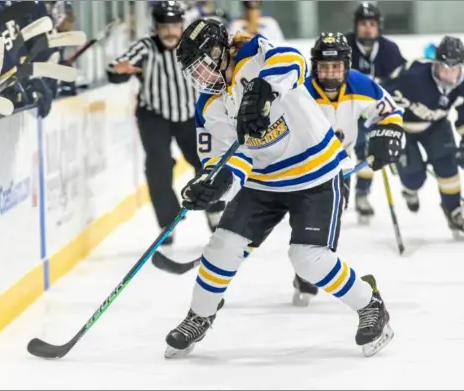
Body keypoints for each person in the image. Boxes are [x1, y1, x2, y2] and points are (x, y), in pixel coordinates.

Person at [164, 18, 402, 359]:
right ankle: (200, 315)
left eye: (201, 66)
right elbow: (229, 159)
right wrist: (215, 185)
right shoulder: (209, 104)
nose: (199, 77)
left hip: (316, 175)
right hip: (263, 183)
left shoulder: (254, 53)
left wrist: (264, 89)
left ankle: (370, 304)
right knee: (221, 247)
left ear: (218, 52)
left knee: (308, 260)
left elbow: (293, 60)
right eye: (193, 71)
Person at [293, 32, 404, 306]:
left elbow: (390, 111)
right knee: (304, 223)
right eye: (324, 67)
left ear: (346, 65)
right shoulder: (300, 92)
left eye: (336, 67)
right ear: (314, 65)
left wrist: (386, 135)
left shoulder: (361, 84)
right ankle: (306, 272)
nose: (330, 74)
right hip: (301, 167)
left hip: (341, 164)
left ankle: (312, 271)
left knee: (329, 222)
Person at [107, 1, 225, 243]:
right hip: (155, 115)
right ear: (156, 27)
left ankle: (214, 210)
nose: (170, 32)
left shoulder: (195, 44)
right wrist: (118, 71)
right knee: (158, 167)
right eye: (164, 26)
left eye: (174, 26)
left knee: (206, 161)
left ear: (182, 25)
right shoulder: (146, 46)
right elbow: (119, 68)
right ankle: (167, 222)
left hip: (191, 114)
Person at [382, 36, 464, 237]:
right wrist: (382, 131)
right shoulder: (413, 77)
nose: (448, 75)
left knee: (447, 165)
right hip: (403, 130)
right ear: (434, 64)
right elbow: (381, 97)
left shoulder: (462, 86)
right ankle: (409, 189)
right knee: (414, 178)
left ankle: (454, 210)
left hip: (436, 126)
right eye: (444, 68)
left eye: (454, 69)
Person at [345, 2, 406, 223]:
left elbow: (401, 82)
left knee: (369, 150)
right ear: (356, 26)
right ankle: (333, 193)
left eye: (372, 24)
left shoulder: (390, 50)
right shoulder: (345, 46)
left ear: (378, 26)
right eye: (363, 24)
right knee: (340, 150)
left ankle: (362, 193)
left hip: (376, 112)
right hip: (346, 109)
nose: (368, 28)